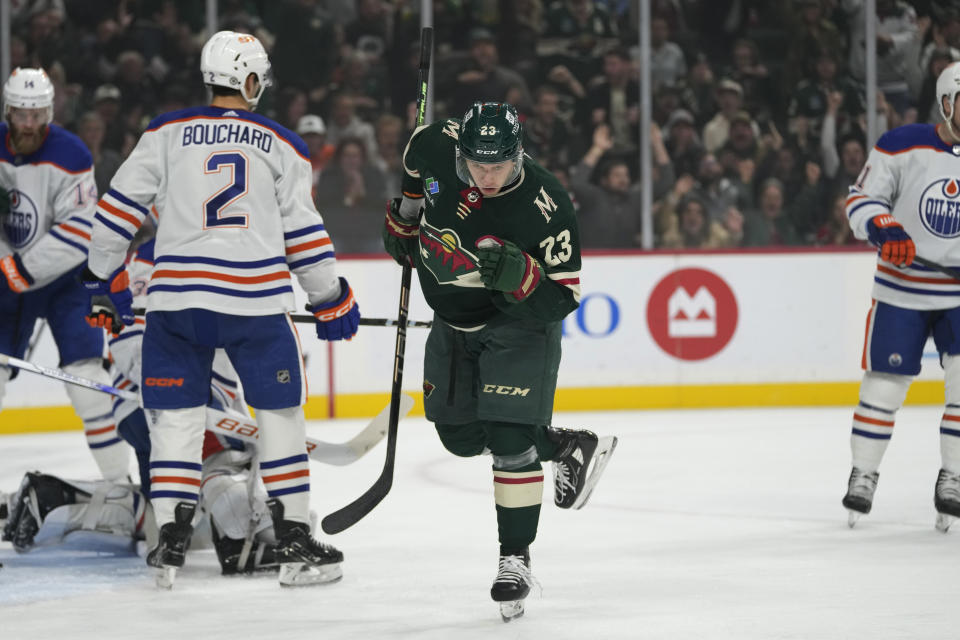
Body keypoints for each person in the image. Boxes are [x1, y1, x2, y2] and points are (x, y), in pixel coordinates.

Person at [80, 31, 360, 588]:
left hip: (175, 302)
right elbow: (304, 235)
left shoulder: (164, 132)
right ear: (251, 81)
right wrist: (330, 298)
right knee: (279, 416)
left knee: (176, 423)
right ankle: (295, 542)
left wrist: (96, 280)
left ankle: (171, 541)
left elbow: (116, 212)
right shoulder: (282, 143)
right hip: (252, 305)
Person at [381, 101, 618, 622]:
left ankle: (515, 558)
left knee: (509, 441)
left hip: (517, 325)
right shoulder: (433, 144)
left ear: (518, 155)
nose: (487, 177)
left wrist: (523, 277)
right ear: (461, 151)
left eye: (498, 166)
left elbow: (564, 298)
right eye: (477, 165)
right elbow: (414, 172)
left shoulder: (546, 202)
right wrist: (406, 217)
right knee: (459, 437)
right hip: (451, 323)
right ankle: (562, 446)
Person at [841, 62, 960, 532]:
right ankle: (863, 473)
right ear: (946, 103)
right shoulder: (901, 144)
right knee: (883, 389)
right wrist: (883, 225)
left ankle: (952, 476)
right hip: (902, 290)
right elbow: (860, 199)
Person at [0, 67, 133, 483]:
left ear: (50, 112)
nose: (28, 124)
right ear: (8, 111)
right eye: (20, 114)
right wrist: (6, 261)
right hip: (7, 280)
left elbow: (80, 228)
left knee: (87, 385)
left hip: (64, 283)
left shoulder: (72, 153)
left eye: (36, 114)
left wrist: (22, 267)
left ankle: (118, 490)